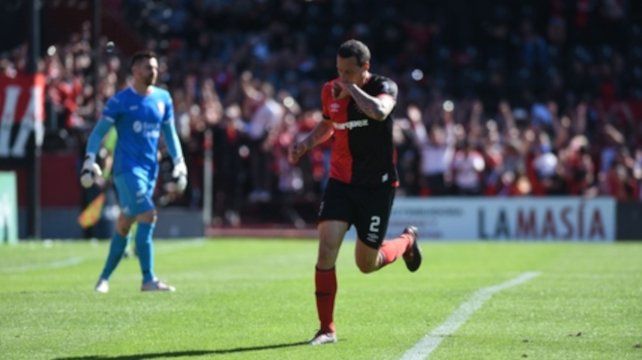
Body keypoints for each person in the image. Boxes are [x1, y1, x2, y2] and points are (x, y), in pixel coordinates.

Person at [288, 39, 422, 345]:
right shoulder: (330, 90)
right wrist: (305, 144)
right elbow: (327, 125)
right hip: (341, 181)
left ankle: (407, 241)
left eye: (349, 71)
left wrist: (351, 90)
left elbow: (379, 112)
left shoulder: (383, 86)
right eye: (338, 70)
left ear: (366, 67)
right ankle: (326, 329)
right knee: (326, 248)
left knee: (366, 264)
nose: (342, 77)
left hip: (376, 186)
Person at [80, 51, 187, 293]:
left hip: (151, 170)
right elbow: (97, 133)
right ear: (135, 71)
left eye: (156, 67)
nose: (154, 72)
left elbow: (170, 135)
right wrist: (89, 160)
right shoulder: (120, 101)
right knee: (148, 214)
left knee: (125, 223)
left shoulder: (163, 99)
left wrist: (180, 162)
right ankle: (148, 279)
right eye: (149, 67)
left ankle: (103, 278)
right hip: (126, 170)